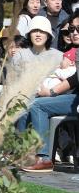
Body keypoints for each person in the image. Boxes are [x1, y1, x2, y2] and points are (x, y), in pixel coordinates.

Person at [17, 12, 79, 172]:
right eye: (71, 29)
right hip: (73, 98)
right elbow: (74, 79)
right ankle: (28, 154)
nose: (74, 33)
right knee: (31, 102)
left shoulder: (60, 55)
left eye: (78, 29)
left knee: (37, 105)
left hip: (75, 100)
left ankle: (43, 157)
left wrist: (51, 91)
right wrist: (51, 92)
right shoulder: (76, 52)